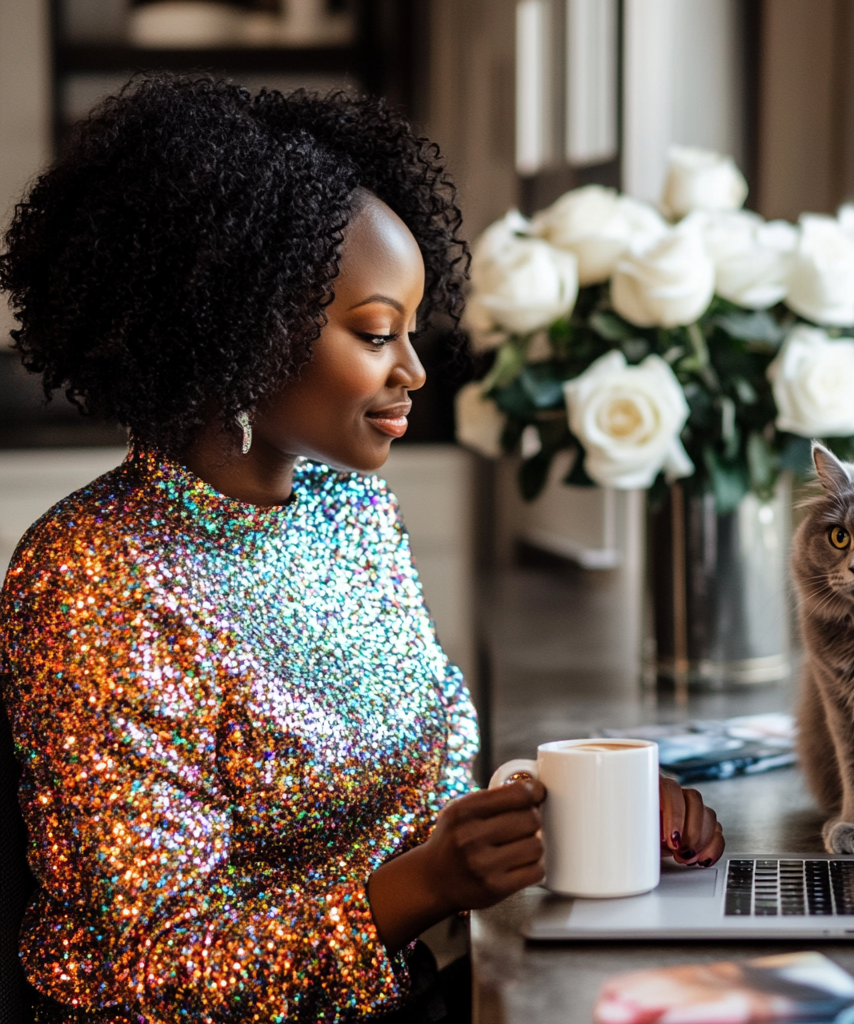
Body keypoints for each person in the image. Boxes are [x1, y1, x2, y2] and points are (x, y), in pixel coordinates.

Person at [0, 77, 725, 1024]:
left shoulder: (346, 503)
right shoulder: (93, 578)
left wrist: (574, 808)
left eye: (412, 331)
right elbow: (142, 970)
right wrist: (422, 888)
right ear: (242, 328)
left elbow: (416, 789)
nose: (415, 371)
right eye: (378, 333)